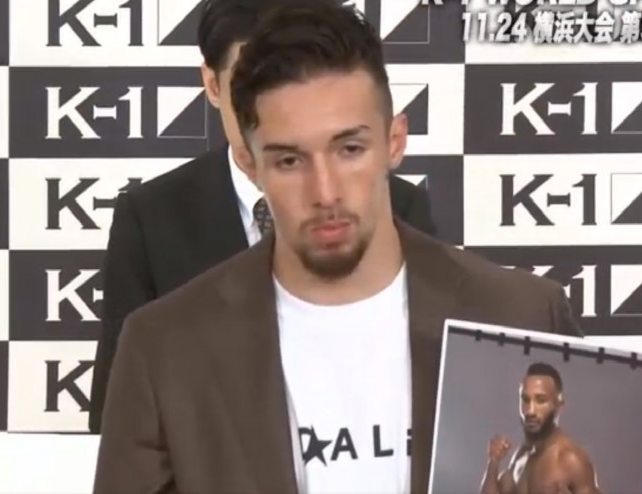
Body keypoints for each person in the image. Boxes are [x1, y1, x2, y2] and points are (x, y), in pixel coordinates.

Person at [92, 1, 583, 493]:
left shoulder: (523, 318)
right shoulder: (164, 350)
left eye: (349, 149)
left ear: (395, 142)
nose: (325, 192)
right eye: (289, 161)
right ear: (250, 164)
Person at [87, 0, 437, 434]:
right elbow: (119, 417)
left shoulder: (399, 207)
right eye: (251, 80)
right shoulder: (150, 218)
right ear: (212, 84)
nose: (272, 103)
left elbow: (432, 390)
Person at [480, 363, 601, 494]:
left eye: (541, 400)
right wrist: (493, 462)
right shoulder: (521, 455)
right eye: (525, 400)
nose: (530, 411)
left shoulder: (571, 460)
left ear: (559, 406)